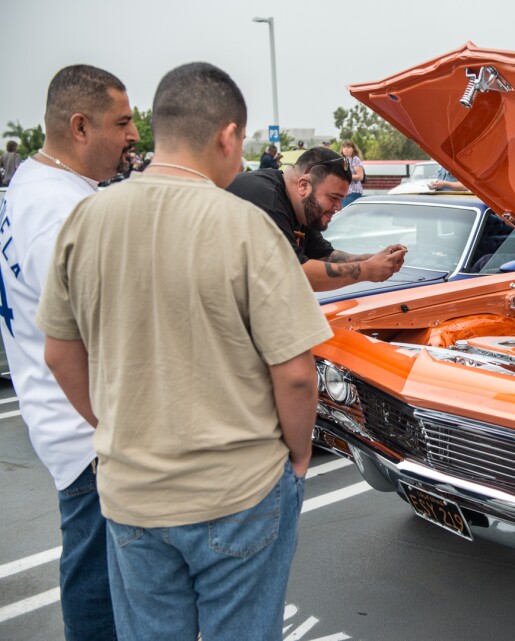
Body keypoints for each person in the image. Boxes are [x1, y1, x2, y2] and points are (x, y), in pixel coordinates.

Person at [36, 62, 331, 641]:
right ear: (227, 135)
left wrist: (114, 424)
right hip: (238, 489)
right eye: (240, 141)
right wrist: (298, 459)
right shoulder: (247, 228)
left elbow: (58, 354)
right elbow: (295, 374)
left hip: (131, 494)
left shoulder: (86, 219)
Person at [0, 63, 139, 641]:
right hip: (89, 435)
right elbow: (79, 341)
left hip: (64, 423)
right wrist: (115, 429)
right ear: (80, 126)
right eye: (124, 122)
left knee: (99, 573)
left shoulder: (32, 184)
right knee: (101, 588)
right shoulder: (63, 213)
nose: (135, 134)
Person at [227, 146, 406, 291]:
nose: (338, 207)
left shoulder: (302, 207)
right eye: (333, 198)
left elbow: (324, 256)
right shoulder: (267, 200)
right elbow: (295, 275)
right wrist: (367, 270)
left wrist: (372, 259)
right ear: (304, 185)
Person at [339, 138, 364, 207]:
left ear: (353, 149)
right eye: (344, 147)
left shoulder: (355, 159)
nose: (346, 149)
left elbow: (360, 176)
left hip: (353, 192)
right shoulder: (342, 159)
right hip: (343, 192)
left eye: (348, 147)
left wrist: (346, 175)